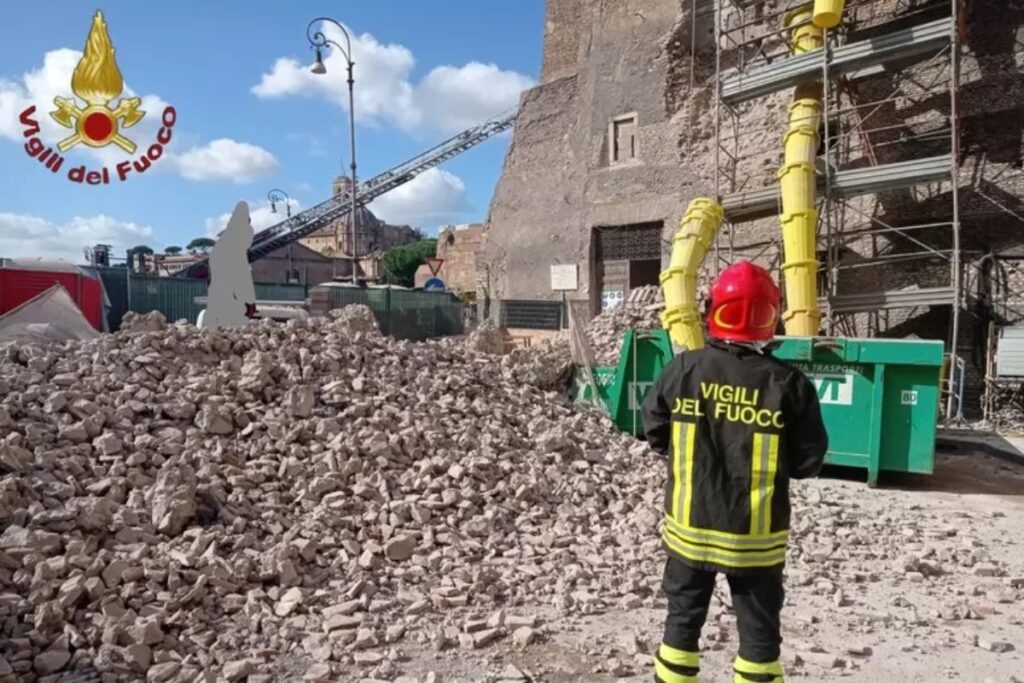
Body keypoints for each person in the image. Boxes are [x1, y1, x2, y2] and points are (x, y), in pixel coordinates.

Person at [642, 260, 828, 683]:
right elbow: (808, 461)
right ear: (770, 317)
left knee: (681, 627)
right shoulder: (789, 384)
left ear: (714, 311)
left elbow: (654, 433)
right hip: (756, 543)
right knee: (759, 640)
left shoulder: (683, 370)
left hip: (690, 533)